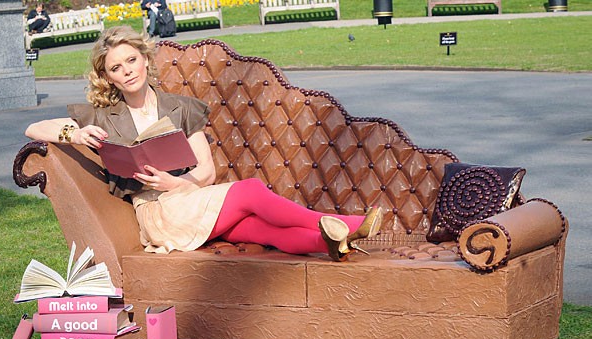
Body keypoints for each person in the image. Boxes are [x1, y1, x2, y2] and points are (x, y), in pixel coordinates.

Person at [24, 26, 382, 262]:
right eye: (116, 68)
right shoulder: (103, 116)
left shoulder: (181, 108)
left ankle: (335, 242)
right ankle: (348, 223)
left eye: (131, 60)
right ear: (108, 77)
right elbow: (34, 128)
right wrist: (75, 134)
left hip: (188, 197)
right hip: (157, 213)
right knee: (250, 190)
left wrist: (176, 182)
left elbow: (206, 171)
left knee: (261, 230)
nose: (127, 71)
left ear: (145, 59)